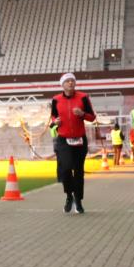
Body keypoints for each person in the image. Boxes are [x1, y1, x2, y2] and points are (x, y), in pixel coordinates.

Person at [48, 72, 95, 214]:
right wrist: (54, 122)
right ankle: (69, 195)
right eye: (67, 81)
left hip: (80, 139)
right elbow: (53, 117)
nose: (70, 83)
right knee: (66, 169)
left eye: (72, 81)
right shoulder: (56, 100)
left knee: (79, 171)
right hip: (64, 140)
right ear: (62, 84)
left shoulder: (83, 97)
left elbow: (92, 117)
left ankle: (78, 201)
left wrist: (82, 114)